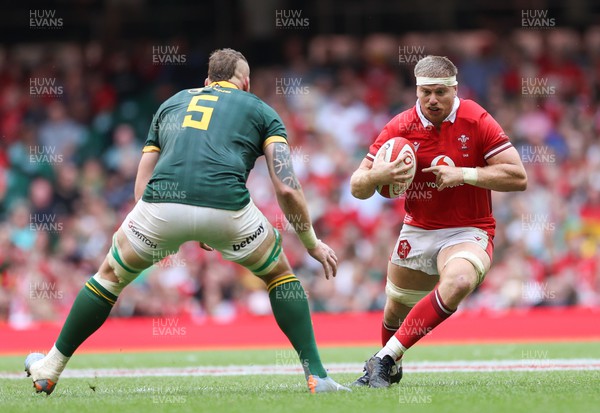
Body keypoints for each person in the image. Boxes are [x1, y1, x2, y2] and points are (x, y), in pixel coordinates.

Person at [25, 48, 350, 394]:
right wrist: (312, 242)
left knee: (109, 277)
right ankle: (318, 376)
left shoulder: (172, 103)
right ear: (247, 83)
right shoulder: (261, 110)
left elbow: (140, 186)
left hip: (160, 206)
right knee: (279, 274)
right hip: (228, 209)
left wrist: (169, 231)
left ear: (207, 81)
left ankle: (51, 367)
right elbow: (286, 187)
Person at [349, 55, 527, 387]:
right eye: (426, 92)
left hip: (469, 228)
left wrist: (465, 174)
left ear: (454, 90)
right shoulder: (400, 126)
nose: (433, 100)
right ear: (416, 91)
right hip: (418, 228)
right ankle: (391, 365)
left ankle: (384, 359)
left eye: (441, 93)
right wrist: (379, 175)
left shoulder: (476, 119)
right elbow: (357, 187)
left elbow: (518, 176)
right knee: (394, 311)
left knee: (458, 282)